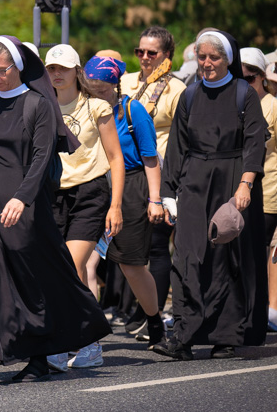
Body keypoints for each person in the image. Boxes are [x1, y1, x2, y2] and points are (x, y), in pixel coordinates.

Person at [0, 35, 111, 385]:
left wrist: (22, 198)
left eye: (0, 70)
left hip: (24, 206)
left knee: (30, 282)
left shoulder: (38, 104)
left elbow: (42, 158)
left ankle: (40, 358)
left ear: (18, 67)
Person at [154, 30, 268, 361]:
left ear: (227, 60)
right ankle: (183, 335)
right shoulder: (189, 96)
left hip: (231, 178)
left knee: (226, 259)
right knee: (187, 257)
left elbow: (254, 142)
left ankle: (225, 336)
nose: (206, 63)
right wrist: (168, 193)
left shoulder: (244, 93)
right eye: (202, 57)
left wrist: (246, 184)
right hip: (193, 181)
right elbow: (177, 147)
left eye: (214, 57)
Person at [44, 44, 124, 369]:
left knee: (73, 267)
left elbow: (116, 158)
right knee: (54, 270)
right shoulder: (41, 106)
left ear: (77, 71)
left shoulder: (97, 106)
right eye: (51, 68)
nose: (56, 74)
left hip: (90, 193)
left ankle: (79, 342)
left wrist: (115, 205)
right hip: (53, 194)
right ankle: (79, 337)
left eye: (63, 68)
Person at [82, 55, 166, 350]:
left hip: (132, 184)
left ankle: (155, 321)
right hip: (93, 185)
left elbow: (150, 158)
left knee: (131, 266)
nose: (96, 93)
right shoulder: (85, 109)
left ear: (115, 85)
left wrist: (155, 200)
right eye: (90, 88)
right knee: (83, 262)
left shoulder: (133, 110)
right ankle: (87, 332)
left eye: (102, 89)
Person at [120, 26, 188, 335]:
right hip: (125, 172)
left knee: (159, 245)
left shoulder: (177, 89)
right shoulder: (126, 82)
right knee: (129, 250)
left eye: (152, 52)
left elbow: (184, 137)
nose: (145, 58)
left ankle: (153, 315)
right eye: (140, 51)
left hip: (160, 171)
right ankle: (140, 310)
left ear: (167, 55)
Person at [238, 48, 277, 332]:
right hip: (238, 189)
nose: (243, 83)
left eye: (249, 78)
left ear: (263, 78)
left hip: (269, 191)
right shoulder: (234, 101)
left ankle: (261, 314)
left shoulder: (273, 106)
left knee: (258, 254)